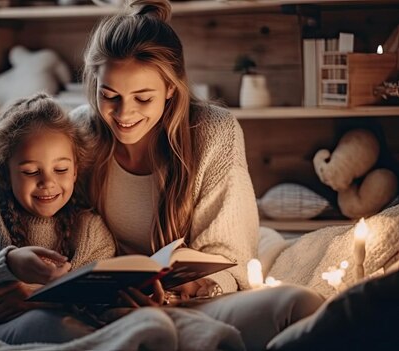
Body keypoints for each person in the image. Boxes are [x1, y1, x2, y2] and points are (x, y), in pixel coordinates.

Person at [73, 0, 325, 349]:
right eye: (109, 96)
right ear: (94, 85)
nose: (123, 113)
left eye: (143, 98)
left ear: (171, 90)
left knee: (299, 305)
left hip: (195, 301)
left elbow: (228, 256)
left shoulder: (213, 131)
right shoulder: (79, 134)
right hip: (113, 305)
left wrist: (188, 288)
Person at [0, 93, 116, 343]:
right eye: (30, 171)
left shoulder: (91, 229)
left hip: (73, 329)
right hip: (0, 332)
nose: (48, 182)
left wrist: (36, 297)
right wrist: (7, 264)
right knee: (47, 324)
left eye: (61, 169)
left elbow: (101, 297)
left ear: (76, 170)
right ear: (4, 172)